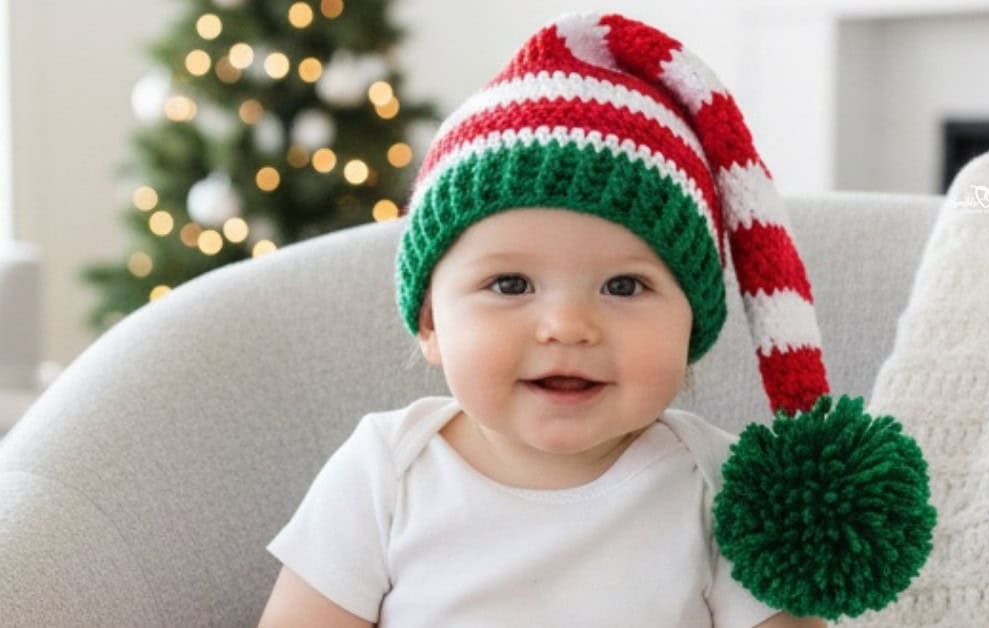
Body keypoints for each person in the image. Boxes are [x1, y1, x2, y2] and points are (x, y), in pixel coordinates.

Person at [259, 11, 833, 628]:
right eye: (510, 284)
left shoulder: (720, 489)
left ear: (690, 329)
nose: (567, 326)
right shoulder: (386, 473)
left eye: (624, 285)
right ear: (430, 323)